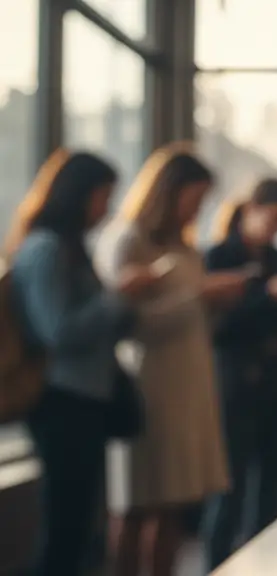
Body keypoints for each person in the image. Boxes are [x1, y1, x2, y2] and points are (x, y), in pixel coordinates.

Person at [94, 146, 247, 576]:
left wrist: (214, 302)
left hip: (187, 384)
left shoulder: (185, 246)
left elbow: (190, 315)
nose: (197, 210)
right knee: (138, 504)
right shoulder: (127, 240)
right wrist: (198, 298)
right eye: (193, 199)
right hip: (150, 386)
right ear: (169, 192)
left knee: (174, 505)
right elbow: (126, 320)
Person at [5, 150, 158, 575]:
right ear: (78, 195)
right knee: (65, 532)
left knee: (80, 530)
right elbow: (59, 331)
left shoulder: (73, 250)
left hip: (85, 398)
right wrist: (118, 297)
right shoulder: (45, 250)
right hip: (61, 401)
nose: (105, 209)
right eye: (102, 196)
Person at [202, 177, 277, 571]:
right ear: (251, 210)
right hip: (236, 389)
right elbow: (219, 329)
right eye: (274, 218)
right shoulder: (218, 257)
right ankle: (216, 566)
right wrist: (269, 296)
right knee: (228, 491)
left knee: (272, 493)